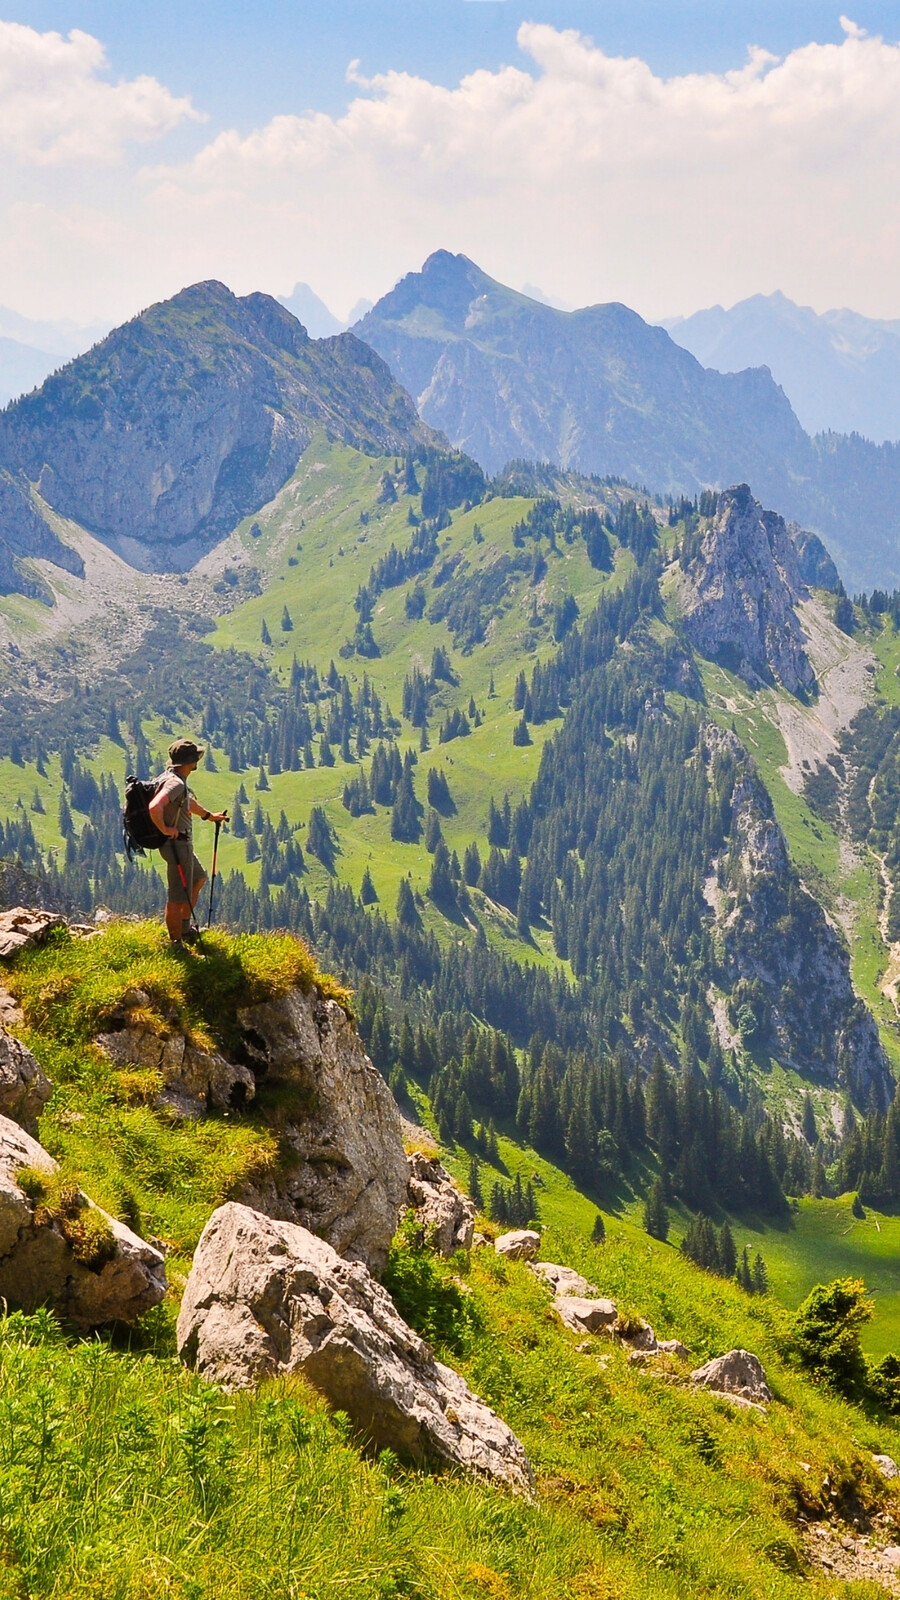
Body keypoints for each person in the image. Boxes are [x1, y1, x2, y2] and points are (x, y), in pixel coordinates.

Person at [148, 738, 227, 950]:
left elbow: (185, 802)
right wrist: (166, 829)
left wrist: (209, 816)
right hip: (177, 846)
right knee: (177, 895)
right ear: (190, 761)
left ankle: (184, 929)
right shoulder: (176, 782)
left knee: (198, 878)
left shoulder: (171, 778)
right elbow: (155, 806)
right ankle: (176, 944)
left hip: (180, 845)